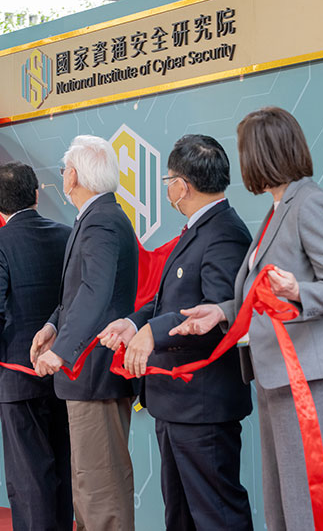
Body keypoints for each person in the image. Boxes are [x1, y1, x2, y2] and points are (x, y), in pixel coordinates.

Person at [170, 107, 323, 530]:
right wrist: (220, 312)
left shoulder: (311, 204)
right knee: (283, 497)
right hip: (276, 373)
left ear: (262, 154)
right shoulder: (278, 210)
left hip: (309, 373)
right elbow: (258, 295)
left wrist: (299, 292)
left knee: (306, 497)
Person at [99, 135, 253, 530]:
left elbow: (216, 313)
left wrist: (154, 331)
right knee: (181, 514)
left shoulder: (224, 233)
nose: (167, 187)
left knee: (216, 514)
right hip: (176, 403)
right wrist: (134, 322)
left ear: (182, 186)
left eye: (168, 179)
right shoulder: (195, 229)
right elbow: (171, 302)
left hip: (202, 404)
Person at [31, 135, 139, 531]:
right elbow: (78, 293)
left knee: (100, 486)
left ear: (73, 175)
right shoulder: (95, 218)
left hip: (93, 372)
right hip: (86, 373)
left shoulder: (103, 221)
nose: (62, 176)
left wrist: (61, 351)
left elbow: (95, 292)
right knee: (89, 482)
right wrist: (51, 326)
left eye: (64, 170)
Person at [0, 162, 73, 531]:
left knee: (28, 476)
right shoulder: (67, 235)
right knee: (62, 467)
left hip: (18, 376)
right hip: (63, 368)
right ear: (36, 194)